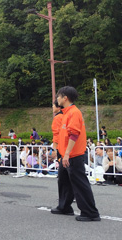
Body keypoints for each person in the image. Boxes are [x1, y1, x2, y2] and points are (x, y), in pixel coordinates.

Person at [50, 86, 100, 221]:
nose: (57, 99)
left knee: (80, 183)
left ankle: (90, 213)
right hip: (66, 154)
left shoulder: (74, 112)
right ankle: (64, 207)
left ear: (65, 98)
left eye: (58, 96)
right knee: (64, 180)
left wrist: (66, 154)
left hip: (73, 155)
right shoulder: (66, 113)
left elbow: (74, 135)